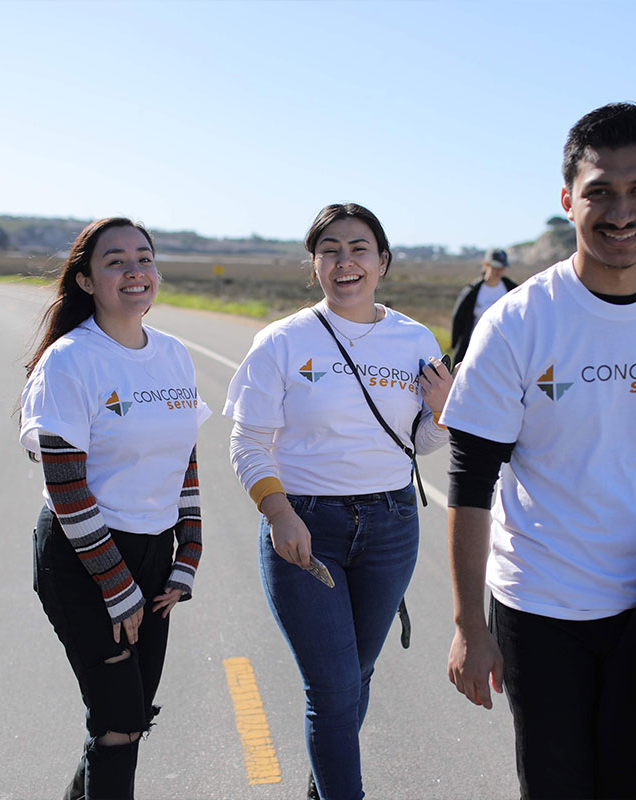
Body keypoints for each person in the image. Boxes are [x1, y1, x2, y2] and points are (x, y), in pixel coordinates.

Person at [441, 103, 636, 799]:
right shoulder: (518, 323)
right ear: (568, 199)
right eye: (600, 190)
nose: (621, 211)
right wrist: (466, 626)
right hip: (543, 608)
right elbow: (470, 480)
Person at [224, 203, 452, 800]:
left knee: (356, 677)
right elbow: (248, 441)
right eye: (330, 250)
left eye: (358, 248)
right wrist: (279, 513)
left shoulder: (414, 339)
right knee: (331, 690)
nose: (344, 261)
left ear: (382, 262)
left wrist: (442, 410)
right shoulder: (282, 340)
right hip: (306, 525)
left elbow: (419, 445)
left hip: (392, 523)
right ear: (314, 265)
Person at [20, 217, 210, 799]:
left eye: (144, 258)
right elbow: (66, 485)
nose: (135, 271)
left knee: (123, 723)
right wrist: (116, 585)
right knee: (120, 724)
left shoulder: (174, 355)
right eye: (116, 261)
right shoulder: (71, 360)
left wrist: (188, 554)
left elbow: (185, 460)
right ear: (85, 280)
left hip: (154, 557)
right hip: (86, 560)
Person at [449, 247, 517, 364]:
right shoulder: (472, 291)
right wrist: (456, 344)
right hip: (474, 346)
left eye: (502, 268)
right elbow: (458, 318)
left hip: (503, 349)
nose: (498, 271)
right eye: (495, 267)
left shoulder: (512, 290)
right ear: (486, 265)